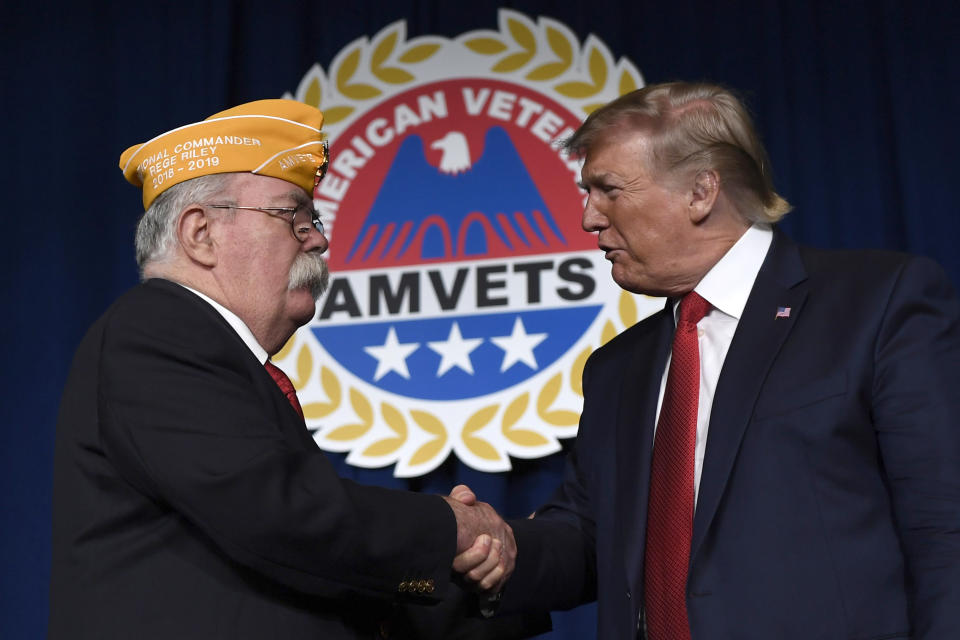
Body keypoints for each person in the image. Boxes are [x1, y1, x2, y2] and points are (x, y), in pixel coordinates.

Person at [455, 81, 960, 639]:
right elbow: (591, 539)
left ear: (701, 192)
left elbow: (944, 529)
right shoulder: (616, 367)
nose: (588, 219)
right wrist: (496, 543)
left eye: (608, 189)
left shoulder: (878, 303)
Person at [49, 99, 544, 639]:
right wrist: (452, 528)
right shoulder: (157, 328)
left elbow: (309, 575)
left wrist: (524, 566)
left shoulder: (222, 357)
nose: (319, 239)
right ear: (200, 234)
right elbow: (278, 515)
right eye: (293, 216)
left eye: (314, 219)